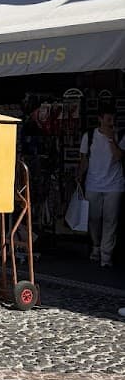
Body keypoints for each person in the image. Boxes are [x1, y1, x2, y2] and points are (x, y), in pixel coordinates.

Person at [79, 110, 125, 268]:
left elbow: (119, 156)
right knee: (94, 218)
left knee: (110, 219)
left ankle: (106, 255)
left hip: (114, 184)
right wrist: (79, 177)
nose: (110, 122)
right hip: (93, 183)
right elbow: (84, 159)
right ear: (100, 119)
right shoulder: (89, 136)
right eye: (108, 118)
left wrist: (111, 138)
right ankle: (96, 246)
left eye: (113, 119)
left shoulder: (120, 135)